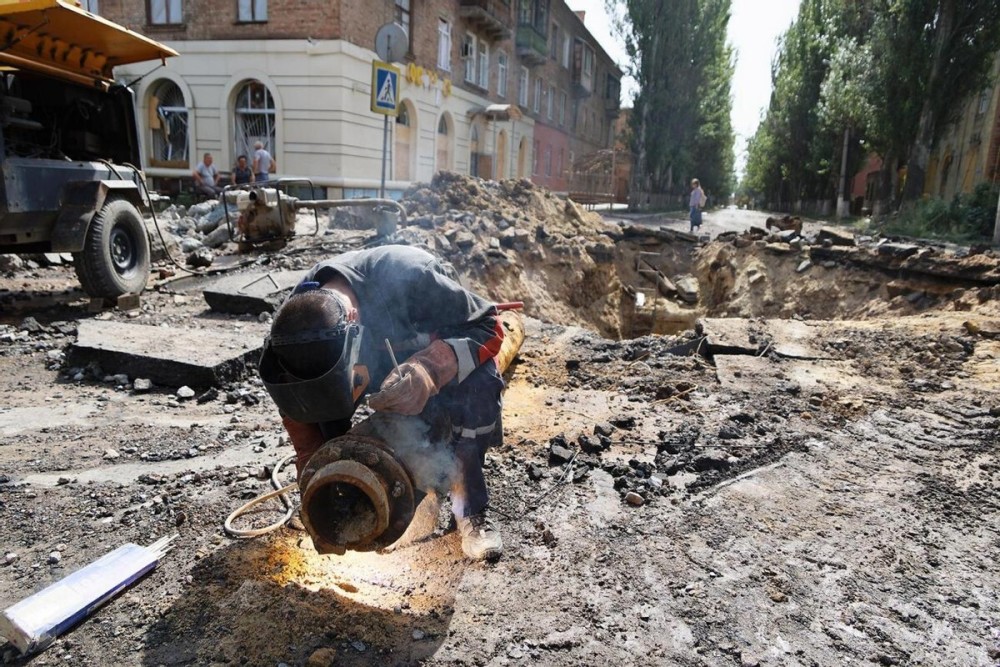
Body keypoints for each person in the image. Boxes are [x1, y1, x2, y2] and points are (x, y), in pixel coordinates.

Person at [259, 245, 506, 561]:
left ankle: (470, 509)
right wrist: (314, 468)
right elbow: (295, 401)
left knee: (477, 387)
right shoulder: (297, 322)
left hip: (426, 342)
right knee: (327, 423)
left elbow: (489, 325)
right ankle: (350, 498)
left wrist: (430, 369)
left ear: (352, 319)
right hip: (361, 359)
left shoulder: (417, 279)